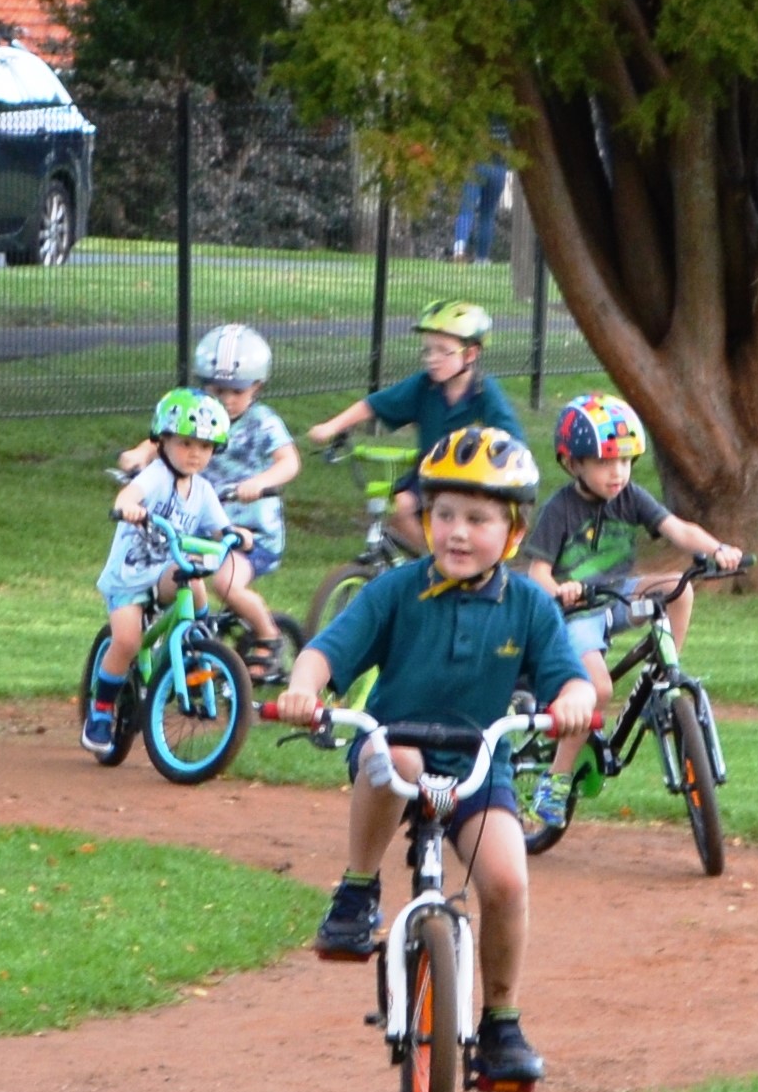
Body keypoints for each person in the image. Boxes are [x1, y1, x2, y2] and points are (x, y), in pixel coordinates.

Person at [276, 427, 594, 1086]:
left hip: (479, 764)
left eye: (476, 519)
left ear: (511, 531)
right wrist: (305, 688)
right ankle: (356, 891)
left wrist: (570, 700)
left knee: (506, 881)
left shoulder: (528, 605)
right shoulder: (393, 590)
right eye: (442, 513)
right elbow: (325, 652)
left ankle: (500, 1023)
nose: (455, 531)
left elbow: (571, 678)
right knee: (399, 756)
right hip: (394, 757)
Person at [521, 393, 744, 827]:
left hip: (617, 596)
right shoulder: (560, 509)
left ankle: (665, 674)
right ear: (572, 464)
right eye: (606, 463)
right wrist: (560, 591)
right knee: (597, 691)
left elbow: (678, 528)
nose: (618, 472)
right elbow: (536, 574)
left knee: (676, 589)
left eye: (625, 461)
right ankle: (557, 780)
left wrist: (718, 549)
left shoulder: (632, 497)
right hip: (579, 612)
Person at [117, 324, 300, 682]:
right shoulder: (199, 413)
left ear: (256, 388)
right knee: (170, 572)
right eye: (217, 390)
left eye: (237, 391)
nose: (227, 399)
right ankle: (183, 642)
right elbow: (164, 440)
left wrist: (258, 484)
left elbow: (289, 461)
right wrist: (138, 455)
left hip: (250, 534)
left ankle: (269, 637)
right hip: (199, 529)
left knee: (226, 585)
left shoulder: (263, 422)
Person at [307, 300, 525, 555]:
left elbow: (513, 443)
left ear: (471, 354)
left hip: (471, 478)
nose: (432, 359)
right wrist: (331, 427)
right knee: (402, 506)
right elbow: (374, 404)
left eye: (443, 351)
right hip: (431, 470)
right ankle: (434, 561)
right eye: (427, 350)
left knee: (460, 518)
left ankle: (447, 563)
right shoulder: (425, 386)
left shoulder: (485, 394)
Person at [86, 386, 237, 754]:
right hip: (128, 577)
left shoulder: (202, 490)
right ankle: (100, 711)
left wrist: (236, 535)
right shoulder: (155, 477)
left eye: (204, 446)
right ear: (163, 441)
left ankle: (199, 646)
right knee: (127, 642)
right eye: (186, 443)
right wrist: (130, 508)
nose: (195, 454)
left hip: (164, 570)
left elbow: (222, 527)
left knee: (196, 578)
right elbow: (127, 496)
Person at [453, 153, 509, 263]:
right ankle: (482, 258)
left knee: (466, 210)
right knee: (487, 215)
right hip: (498, 168)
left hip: (475, 165)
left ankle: (459, 248)